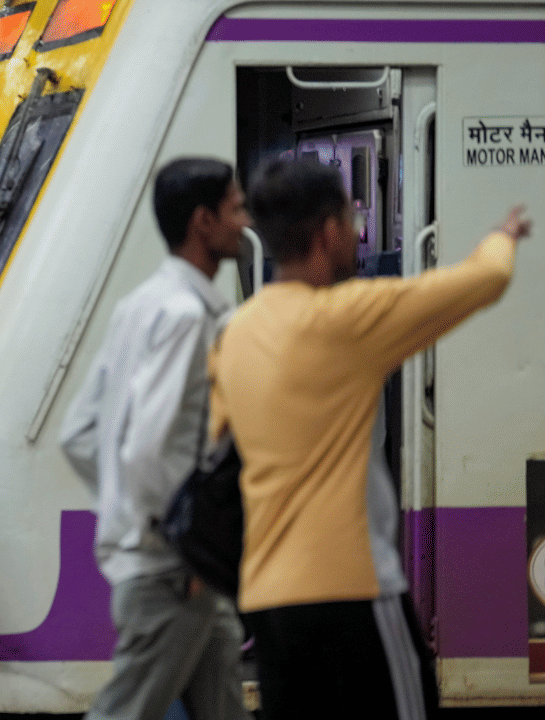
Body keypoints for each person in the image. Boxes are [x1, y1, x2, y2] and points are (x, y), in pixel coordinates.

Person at [210, 158, 532, 720]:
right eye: (350, 221)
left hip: (266, 597)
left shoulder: (234, 333)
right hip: (353, 588)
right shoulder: (346, 318)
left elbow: (210, 449)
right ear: (328, 232)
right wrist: (502, 239)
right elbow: (483, 281)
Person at [59, 159, 251, 720]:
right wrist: (173, 543)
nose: (245, 221)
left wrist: (127, 511)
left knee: (223, 707)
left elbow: (81, 434)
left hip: (173, 567)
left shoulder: (140, 305)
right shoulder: (189, 316)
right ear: (203, 222)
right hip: (171, 572)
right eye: (236, 208)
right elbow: (147, 448)